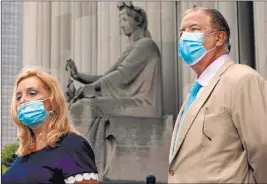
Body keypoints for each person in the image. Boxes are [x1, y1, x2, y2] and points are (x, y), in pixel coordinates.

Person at [169, 6, 267, 183]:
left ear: (219, 38)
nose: (185, 36)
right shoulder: (197, 90)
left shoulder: (242, 79)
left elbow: (263, 149)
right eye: (182, 31)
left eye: (194, 29)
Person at [2, 68, 99, 184]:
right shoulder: (23, 155)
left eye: (32, 93)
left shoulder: (72, 146)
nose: (22, 100)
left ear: (53, 101)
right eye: (18, 97)